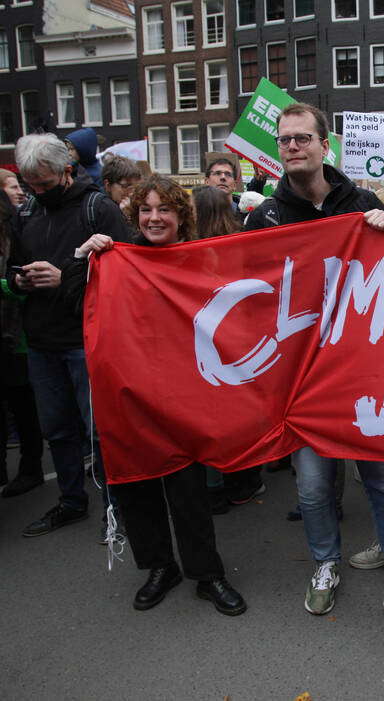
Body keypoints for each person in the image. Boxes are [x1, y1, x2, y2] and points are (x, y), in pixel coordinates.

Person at [243, 102, 384, 638]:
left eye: (303, 138)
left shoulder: (365, 203)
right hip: (302, 381)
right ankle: (325, 563)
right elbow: (225, 276)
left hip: (363, 374)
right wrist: (117, 251)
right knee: (311, 489)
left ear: (326, 145)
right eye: (285, 140)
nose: (292, 147)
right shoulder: (266, 217)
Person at [70, 175, 246, 616]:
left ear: (180, 216)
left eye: (164, 209)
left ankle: (207, 574)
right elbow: (79, 307)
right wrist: (83, 262)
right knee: (136, 483)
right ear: (135, 215)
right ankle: (159, 566)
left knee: (187, 490)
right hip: (128, 394)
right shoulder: (114, 258)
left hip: (183, 394)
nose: (154, 218)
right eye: (145, 210)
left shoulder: (201, 259)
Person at [5, 133, 132, 538]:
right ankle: (72, 501)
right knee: (57, 430)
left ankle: (118, 510)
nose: (38, 192)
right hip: (42, 342)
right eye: (31, 186)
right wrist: (20, 281)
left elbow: (127, 274)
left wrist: (65, 278)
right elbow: (12, 269)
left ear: (67, 171)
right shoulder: (27, 213)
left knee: (101, 432)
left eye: (44, 184)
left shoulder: (98, 208)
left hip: (86, 342)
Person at [0, 189, 44, 498]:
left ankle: (31, 468)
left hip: (15, 337)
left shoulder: (14, 233)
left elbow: (21, 280)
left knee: (22, 403)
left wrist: (10, 283)